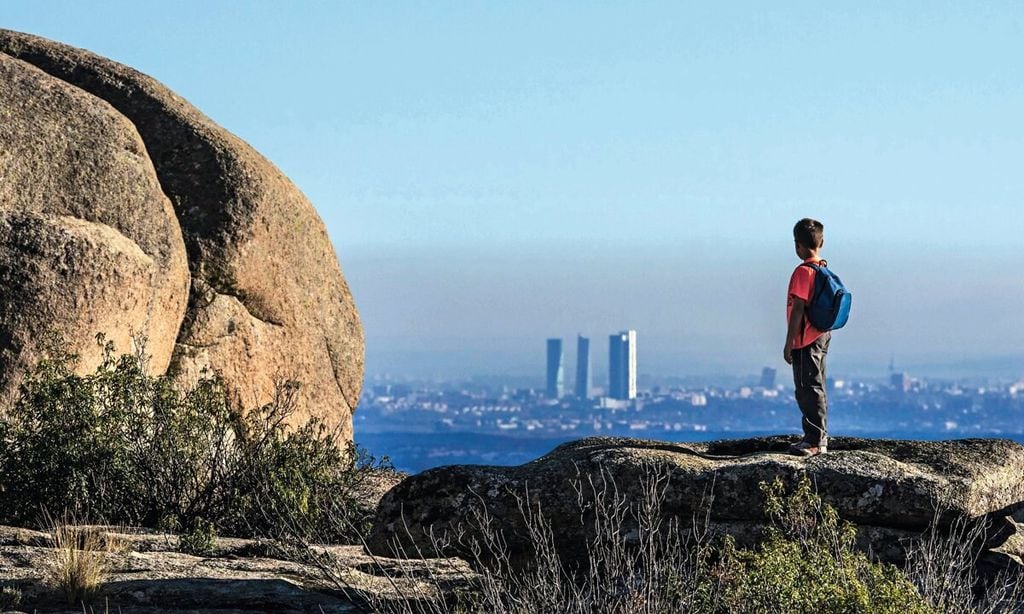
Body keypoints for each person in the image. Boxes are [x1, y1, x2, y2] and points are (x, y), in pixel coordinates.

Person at [783, 218, 830, 457]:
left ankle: (814, 439)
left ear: (797, 245)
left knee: (806, 387)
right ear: (821, 242)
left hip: (805, 338)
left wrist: (790, 341)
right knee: (817, 385)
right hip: (821, 335)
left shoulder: (803, 272)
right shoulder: (822, 267)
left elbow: (799, 308)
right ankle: (818, 436)